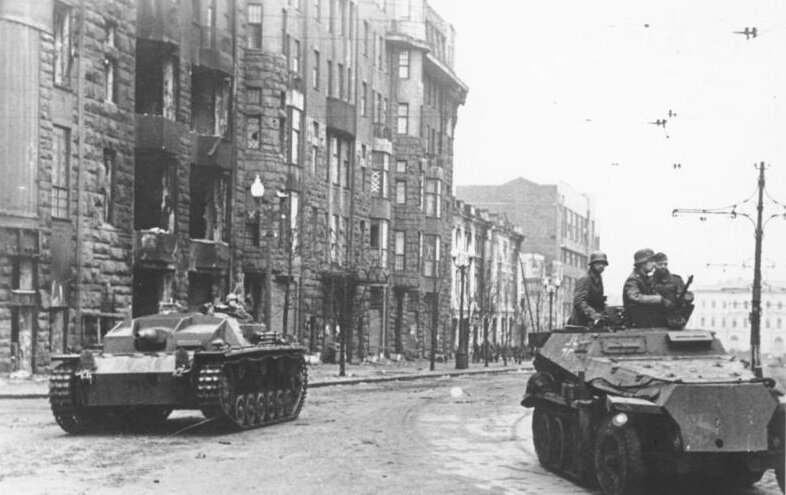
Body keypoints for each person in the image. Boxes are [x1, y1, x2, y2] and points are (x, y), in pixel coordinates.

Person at [623, 248, 670, 327]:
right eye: (651, 261)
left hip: (645, 320)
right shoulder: (633, 279)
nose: (654, 264)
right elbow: (635, 297)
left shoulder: (645, 278)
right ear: (643, 263)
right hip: (635, 321)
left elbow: (652, 292)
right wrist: (658, 299)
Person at [650, 252, 694, 329]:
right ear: (654, 265)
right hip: (654, 321)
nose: (663, 266)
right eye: (660, 264)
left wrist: (685, 298)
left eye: (665, 264)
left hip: (674, 320)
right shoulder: (649, 281)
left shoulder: (676, 280)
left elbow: (685, 299)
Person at [569, 251, 609, 327]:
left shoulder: (598, 279)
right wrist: (592, 314)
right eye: (598, 263)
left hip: (592, 322)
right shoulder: (585, 278)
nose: (601, 266)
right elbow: (579, 301)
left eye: (603, 264)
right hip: (580, 323)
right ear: (592, 265)